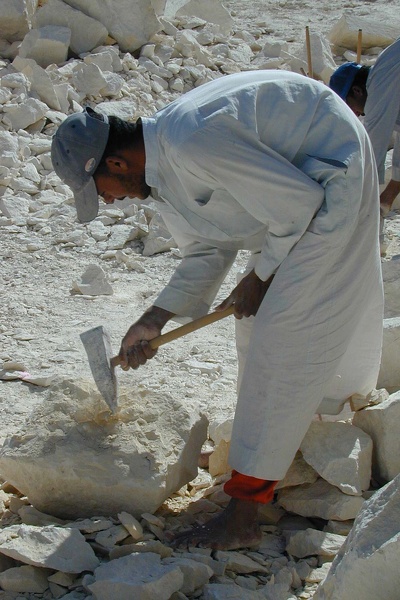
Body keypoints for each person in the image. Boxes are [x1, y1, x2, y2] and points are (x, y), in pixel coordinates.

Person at [51, 70, 383, 550]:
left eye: (102, 189)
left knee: (284, 336)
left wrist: (259, 276)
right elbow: (208, 248)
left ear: (118, 163)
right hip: (300, 196)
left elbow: (301, 204)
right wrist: (155, 318)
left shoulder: (191, 141)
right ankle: (295, 446)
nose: (108, 200)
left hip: (333, 178)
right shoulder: (161, 174)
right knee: (256, 328)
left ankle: (245, 513)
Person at [329, 37, 400, 217]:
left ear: (357, 91)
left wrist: (360, 201)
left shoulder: (379, 84)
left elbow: (373, 145)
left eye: (349, 106)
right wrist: (388, 196)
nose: (356, 114)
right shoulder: (390, 84)